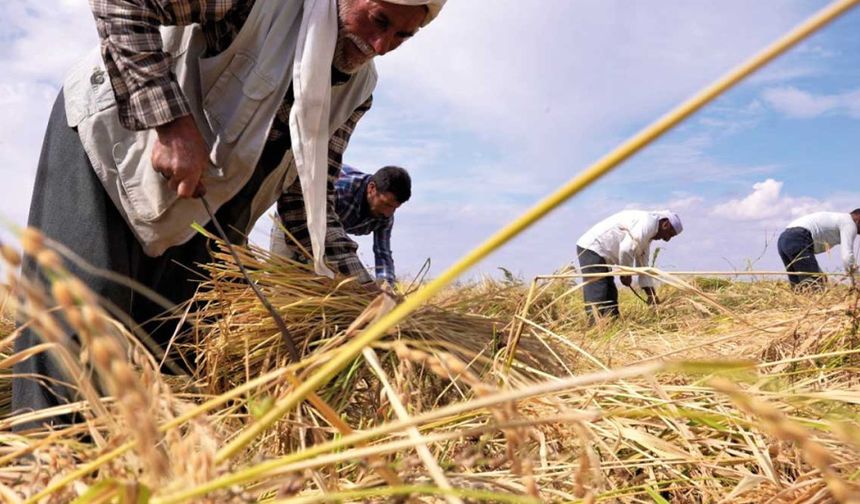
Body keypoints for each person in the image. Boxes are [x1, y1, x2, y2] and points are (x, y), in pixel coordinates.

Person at [13, 0, 446, 426]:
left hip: (209, 206)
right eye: (378, 21)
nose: (381, 44)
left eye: (402, 36)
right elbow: (123, 4)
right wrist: (170, 121)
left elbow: (307, 201)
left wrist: (366, 294)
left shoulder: (358, 89)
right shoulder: (257, 5)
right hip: (114, 152)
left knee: (178, 357)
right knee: (78, 346)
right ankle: (51, 480)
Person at [271, 165, 410, 285]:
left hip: (328, 230)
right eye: (386, 204)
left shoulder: (386, 216)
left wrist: (387, 286)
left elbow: (383, 254)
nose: (388, 212)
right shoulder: (341, 189)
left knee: (322, 279)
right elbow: (330, 239)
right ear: (371, 188)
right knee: (281, 276)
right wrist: (366, 284)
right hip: (293, 216)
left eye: (394, 207)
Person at [575, 210, 682, 322]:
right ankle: (596, 328)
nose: (667, 239)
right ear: (665, 224)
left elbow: (643, 268)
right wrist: (626, 274)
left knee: (610, 291)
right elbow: (626, 250)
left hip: (602, 253)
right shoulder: (647, 223)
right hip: (592, 247)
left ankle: (612, 324)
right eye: (669, 234)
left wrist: (651, 296)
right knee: (598, 290)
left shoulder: (647, 236)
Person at [777, 210, 860, 289]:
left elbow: (807, 254)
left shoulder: (840, 219)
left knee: (799, 287)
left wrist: (819, 273)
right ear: (858, 218)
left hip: (783, 239)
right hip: (798, 238)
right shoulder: (850, 223)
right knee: (815, 287)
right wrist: (857, 279)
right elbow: (847, 257)